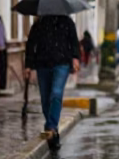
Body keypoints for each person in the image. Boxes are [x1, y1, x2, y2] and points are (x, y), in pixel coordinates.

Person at [24, 13, 80, 151]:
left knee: (56, 93)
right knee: (45, 100)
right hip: (42, 64)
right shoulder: (39, 23)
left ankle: (51, 127)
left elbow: (74, 41)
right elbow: (31, 44)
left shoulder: (67, 22)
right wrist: (28, 65)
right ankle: (53, 134)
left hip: (62, 64)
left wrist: (75, 57)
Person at [0, 11, 8, 92]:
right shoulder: (0, 22)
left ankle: (0, 85)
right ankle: (2, 85)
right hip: (3, 48)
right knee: (2, 68)